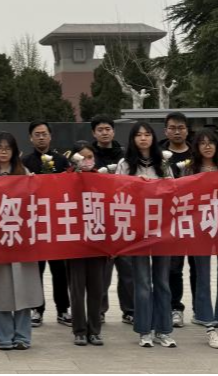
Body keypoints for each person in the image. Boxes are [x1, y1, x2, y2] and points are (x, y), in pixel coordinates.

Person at [0, 133, 42, 351]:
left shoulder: (24, 173)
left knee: (23, 287)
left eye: (8, 147)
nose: (3, 151)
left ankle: (23, 336)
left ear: (14, 151)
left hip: (20, 238)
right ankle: (4, 336)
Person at [116, 122, 175, 348]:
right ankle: (144, 330)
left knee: (162, 282)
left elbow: (172, 191)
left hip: (161, 229)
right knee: (142, 282)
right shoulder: (124, 164)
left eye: (147, 134)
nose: (143, 138)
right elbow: (117, 192)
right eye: (138, 135)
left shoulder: (163, 163)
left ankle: (164, 330)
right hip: (138, 230)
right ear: (132, 139)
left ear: (153, 138)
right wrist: (136, 186)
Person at [185, 130, 218, 350]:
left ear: (217, 146)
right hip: (200, 229)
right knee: (203, 278)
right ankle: (209, 326)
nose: (207, 146)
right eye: (202, 143)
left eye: (211, 143)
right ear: (196, 147)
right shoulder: (190, 170)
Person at [22, 121, 70, 328]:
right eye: (37, 134)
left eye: (44, 134)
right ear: (30, 138)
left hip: (57, 223)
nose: (41, 137)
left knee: (60, 271)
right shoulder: (24, 162)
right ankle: (37, 309)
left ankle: (63, 309)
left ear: (50, 136)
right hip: (35, 224)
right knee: (36, 270)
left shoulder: (62, 161)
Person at [67, 141, 106, 346]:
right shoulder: (66, 179)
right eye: (82, 157)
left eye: (90, 157)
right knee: (77, 289)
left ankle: (95, 329)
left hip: (97, 242)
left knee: (96, 288)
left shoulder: (103, 180)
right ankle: (79, 330)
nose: (87, 161)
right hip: (74, 243)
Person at [91, 115, 128, 324]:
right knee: (101, 271)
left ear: (113, 131)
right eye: (100, 129)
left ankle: (129, 309)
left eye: (108, 129)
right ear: (94, 133)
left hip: (123, 215)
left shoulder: (125, 154)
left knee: (127, 267)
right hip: (99, 217)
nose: (104, 133)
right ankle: (99, 309)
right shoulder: (88, 155)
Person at [159, 112, 193, 329]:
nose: (177, 132)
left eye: (181, 128)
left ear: (187, 130)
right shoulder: (158, 154)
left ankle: (201, 310)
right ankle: (174, 307)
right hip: (168, 220)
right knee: (173, 267)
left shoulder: (196, 152)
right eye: (172, 128)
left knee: (198, 268)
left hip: (195, 217)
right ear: (166, 131)